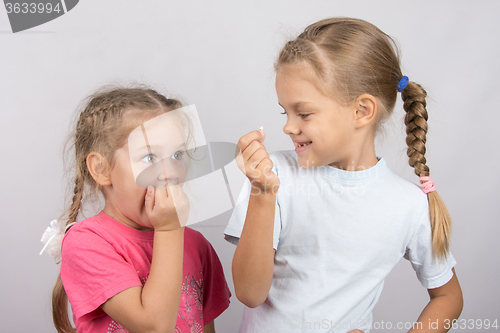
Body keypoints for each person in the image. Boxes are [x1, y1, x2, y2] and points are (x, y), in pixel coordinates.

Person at [224, 18, 463, 333]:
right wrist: (263, 193)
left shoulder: (409, 205)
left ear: (362, 111)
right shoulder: (274, 176)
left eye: (304, 113)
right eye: (285, 112)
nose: (288, 126)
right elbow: (250, 294)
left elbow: (448, 297)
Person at [47, 87, 231, 333]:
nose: (170, 173)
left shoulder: (197, 246)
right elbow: (154, 327)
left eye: (176, 155)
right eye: (150, 157)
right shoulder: (85, 243)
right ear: (101, 169)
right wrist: (169, 228)